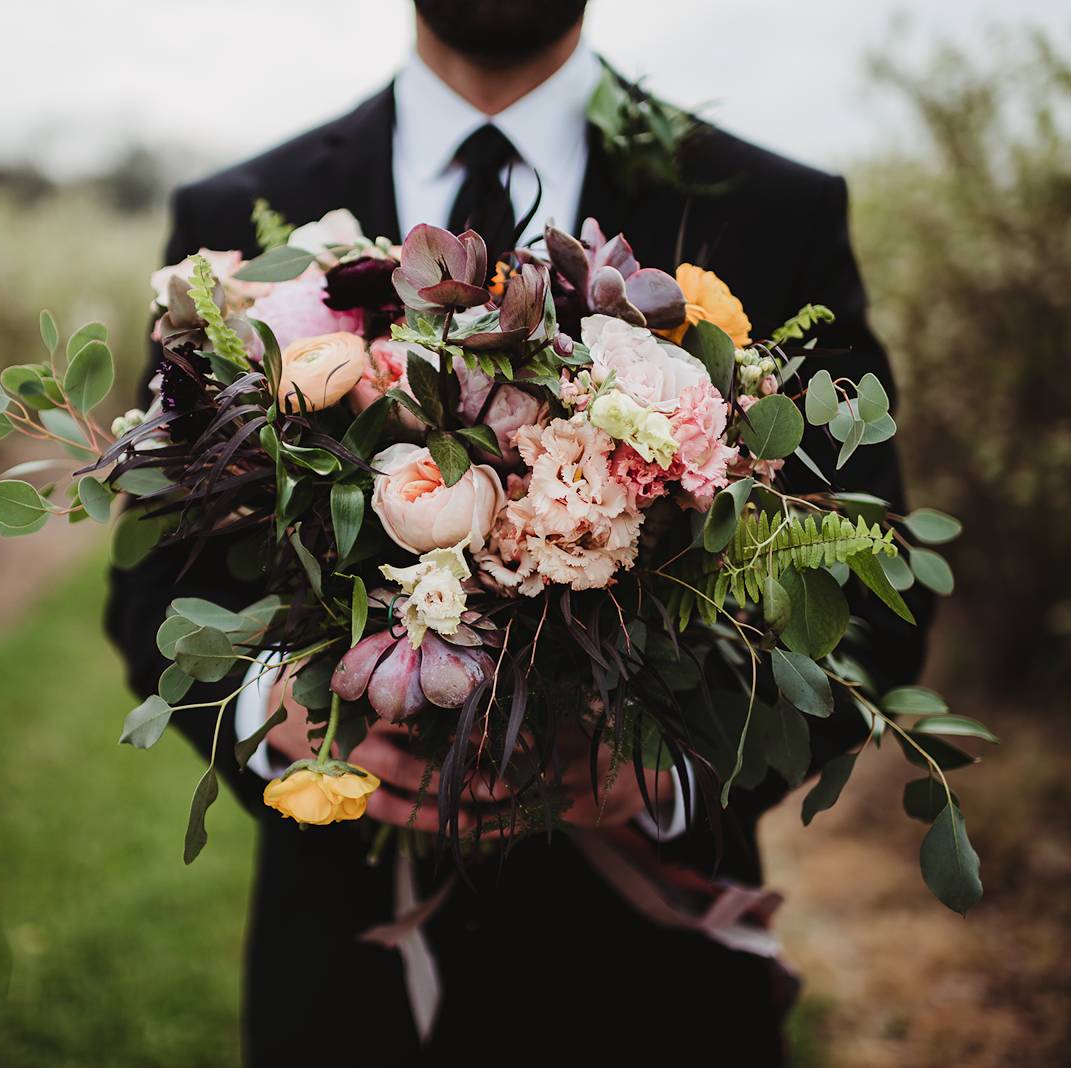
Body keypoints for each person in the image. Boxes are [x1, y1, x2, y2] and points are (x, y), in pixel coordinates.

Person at [106, 1, 933, 1063]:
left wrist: (675, 766)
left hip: (650, 991)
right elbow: (155, 571)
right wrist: (281, 714)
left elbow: (873, 583)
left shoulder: (774, 210)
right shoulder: (240, 217)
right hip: (351, 977)